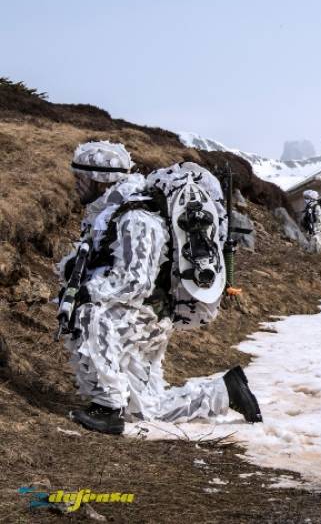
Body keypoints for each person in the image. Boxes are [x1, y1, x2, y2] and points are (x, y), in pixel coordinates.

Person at [58, 141, 262, 435]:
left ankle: (107, 408)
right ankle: (225, 391)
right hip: (139, 315)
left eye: (82, 178)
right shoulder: (110, 214)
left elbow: (135, 281)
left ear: (101, 179)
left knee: (90, 315)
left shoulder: (136, 218)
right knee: (147, 408)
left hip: (141, 318)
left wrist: (89, 292)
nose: (76, 184)